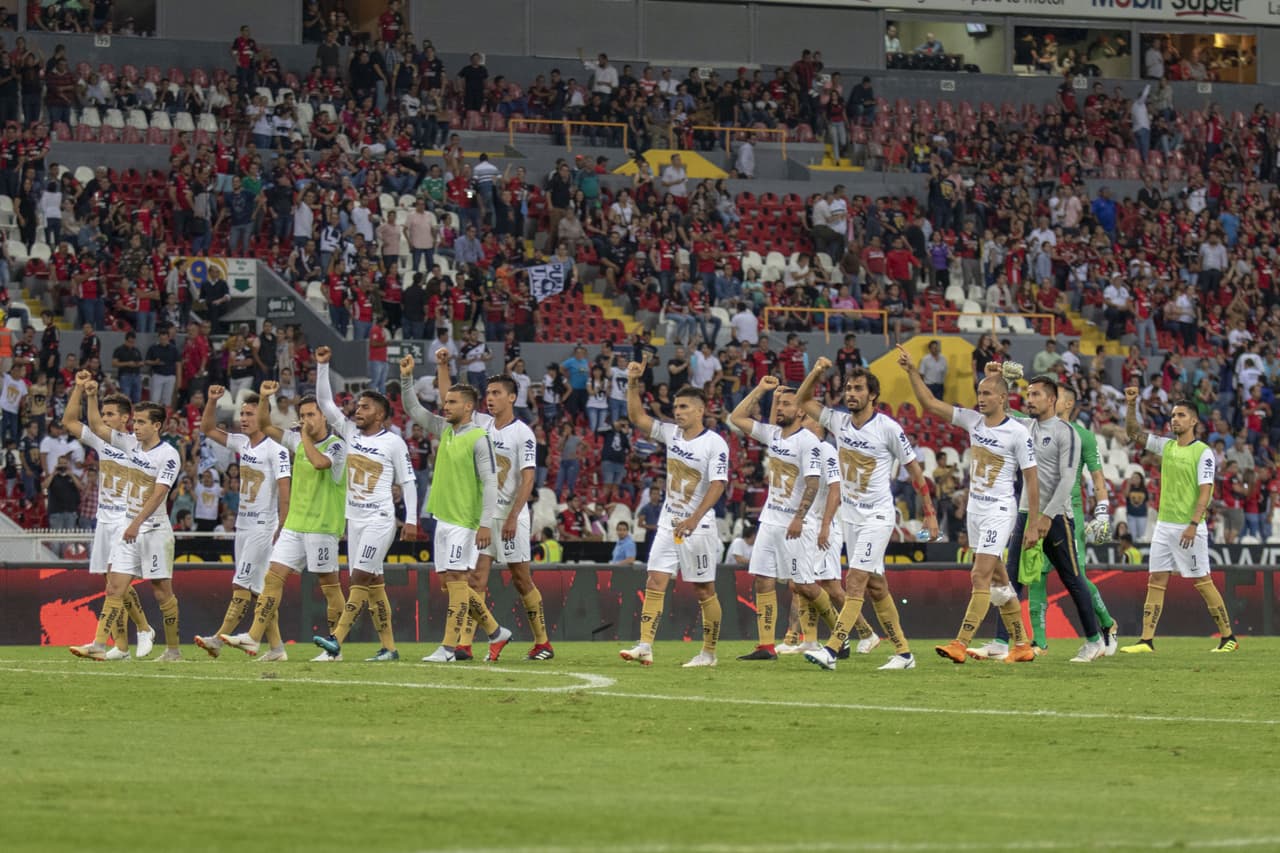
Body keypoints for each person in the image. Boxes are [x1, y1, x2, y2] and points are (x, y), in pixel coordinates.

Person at [898, 347, 1040, 664]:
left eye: (988, 393)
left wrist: (1032, 522)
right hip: (975, 510)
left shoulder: (1018, 432)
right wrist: (911, 372)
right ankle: (1021, 645)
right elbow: (930, 404)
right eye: (979, 392)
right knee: (1001, 580)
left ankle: (961, 643)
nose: (981, 398)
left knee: (980, 575)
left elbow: (1032, 478)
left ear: (1003, 398)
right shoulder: (973, 421)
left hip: (1000, 511)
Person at [409, 352, 553, 661]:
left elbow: (528, 479)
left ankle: (543, 642)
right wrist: (444, 366)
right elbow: (454, 398)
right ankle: (464, 644)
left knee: (520, 578)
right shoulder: (481, 424)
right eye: (487, 393)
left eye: (497, 393)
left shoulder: (522, 433)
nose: (490, 398)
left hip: (511, 516)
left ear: (513, 397)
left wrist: (515, 515)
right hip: (482, 515)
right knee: (473, 580)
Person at [795, 360, 938, 671]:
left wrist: (930, 514)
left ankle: (832, 650)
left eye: (858, 388)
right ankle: (903, 654)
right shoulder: (839, 422)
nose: (851, 393)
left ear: (873, 395)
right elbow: (802, 401)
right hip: (851, 518)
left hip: (878, 516)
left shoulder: (888, 428)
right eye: (848, 388)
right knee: (876, 587)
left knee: (856, 580)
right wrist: (817, 373)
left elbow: (915, 470)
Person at [974, 377, 1119, 658]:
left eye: (1036, 394)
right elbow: (993, 408)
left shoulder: (1068, 433)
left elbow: (1067, 480)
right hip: (1027, 512)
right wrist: (991, 376)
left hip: (1058, 516)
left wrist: (1046, 517)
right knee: (1012, 578)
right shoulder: (1024, 427)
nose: (1029, 399)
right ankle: (1002, 642)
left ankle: (1093, 640)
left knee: (1072, 579)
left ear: (1051, 400)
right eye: (1028, 394)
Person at [311, 346, 418, 662]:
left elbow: (409, 481)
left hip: (380, 521)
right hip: (353, 520)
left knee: (358, 578)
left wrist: (411, 519)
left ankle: (335, 642)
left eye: (366, 407)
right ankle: (389, 648)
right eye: (358, 406)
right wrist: (322, 366)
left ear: (381, 414)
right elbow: (325, 403)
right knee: (374, 583)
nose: (358, 410)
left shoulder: (394, 443)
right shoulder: (348, 433)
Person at [619, 360, 729, 667]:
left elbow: (719, 485)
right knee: (655, 580)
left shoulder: (715, 444)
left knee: (703, 588)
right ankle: (645, 645)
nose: (677, 411)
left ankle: (708, 653)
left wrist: (693, 519)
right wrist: (632, 382)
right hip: (670, 522)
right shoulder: (672, 434)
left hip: (698, 527)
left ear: (699, 410)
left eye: (683, 407)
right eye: (676, 407)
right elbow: (637, 416)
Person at [1119, 386, 1238, 654]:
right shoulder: (1167, 446)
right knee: (1156, 580)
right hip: (1164, 525)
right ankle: (1146, 641)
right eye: (1173, 415)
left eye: (1181, 415)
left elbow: (1206, 492)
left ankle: (1228, 636)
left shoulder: (1202, 452)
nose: (1175, 419)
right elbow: (1133, 433)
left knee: (1202, 581)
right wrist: (1131, 404)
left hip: (1189, 527)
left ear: (1194, 421)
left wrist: (1194, 524)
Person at [729, 376, 838, 661]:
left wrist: (799, 518)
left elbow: (813, 484)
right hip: (770, 519)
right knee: (762, 580)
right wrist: (762, 390)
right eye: (778, 404)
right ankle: (766, 646)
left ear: (801, 410)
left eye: (787, 404)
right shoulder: (773, 434)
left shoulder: (809, 443)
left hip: (795, 524)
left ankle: (840, 633)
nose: (779, 408)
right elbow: (736, 417)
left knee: (803, 584)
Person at [71, 392, 182, 662]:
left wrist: (135, 523)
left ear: (156, 426)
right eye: (135, 421)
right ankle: (99, 643)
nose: (136, 426)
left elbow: (158, 495)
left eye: (142, 422)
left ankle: (173, 650)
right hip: (129, 528)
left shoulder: (169, 455)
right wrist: (91, 395)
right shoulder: (129, 444)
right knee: (114, 587)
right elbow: (97, 426)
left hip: (154, 530)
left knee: (161, 592)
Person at [194, 387, 292, 661]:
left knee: (241, 584)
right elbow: (208, 427)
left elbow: (285, 489)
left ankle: (217, 639)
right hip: (243, 526)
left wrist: (282, 526)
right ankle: (276, 649)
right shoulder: (241, 443)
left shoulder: (277, 450)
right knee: (259, 588)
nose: (244, 418)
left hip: (263, 527)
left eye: (250, 413)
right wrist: (212, 400)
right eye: (242, 414)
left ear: (263, 416)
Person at [61, 377, 155, 660]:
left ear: (127, 418)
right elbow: (69, 421)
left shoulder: (134, 444)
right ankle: (123, 647)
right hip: (104, 519)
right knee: (111, 586)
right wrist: (81, 390)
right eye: (103, 414)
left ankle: (143, 629)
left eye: (110, 414)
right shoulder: (104, 444)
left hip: (125, 521)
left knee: (116, 585)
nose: (104, 419)